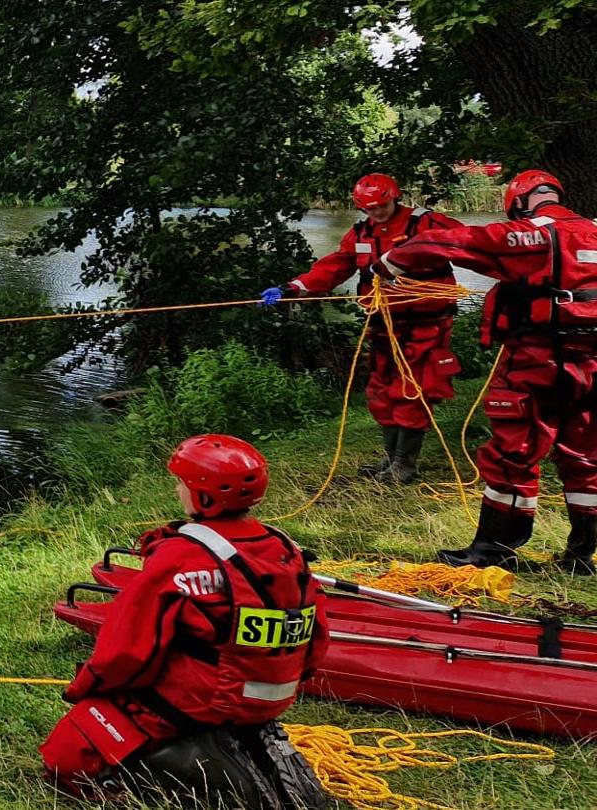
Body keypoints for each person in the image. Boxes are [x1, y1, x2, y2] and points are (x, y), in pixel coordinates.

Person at [41, 435, 328, 808]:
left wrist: (86, 686)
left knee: (66, 757)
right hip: (269, 700)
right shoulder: (285, 549)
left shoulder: (181, 557)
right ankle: (234, 745)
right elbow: (317, 635)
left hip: (202, 701)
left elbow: (127, 648)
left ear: (204, 497)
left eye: (183, 484)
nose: (178, 490)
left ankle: (179, 765)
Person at [383, 170, 597, 574]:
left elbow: (440, 241)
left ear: (518, 202)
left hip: (537, 362)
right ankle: (582, 556)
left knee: (511, 456)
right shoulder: (592, 231)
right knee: (586, 458)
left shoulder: (529, 235)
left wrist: (389, 261)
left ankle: (494, 550)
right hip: (592, 367)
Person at [262, 174, 466, 484]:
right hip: (383, 322)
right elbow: (334, 267)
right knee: (380, 391)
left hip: (427, 323)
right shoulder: (361, 233)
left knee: (412, 390)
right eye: (369, 209)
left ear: (394, 198)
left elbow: (476, 245)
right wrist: (293, 288)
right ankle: (391, 457)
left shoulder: (427, 224)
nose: (377, 213)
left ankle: (404, 464)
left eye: (381, 207)